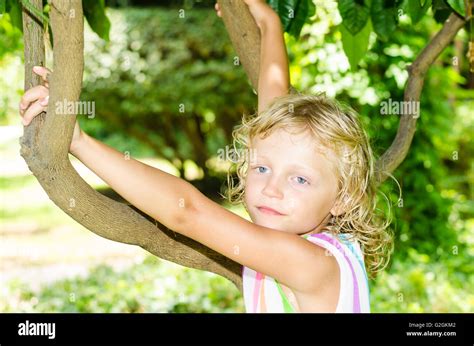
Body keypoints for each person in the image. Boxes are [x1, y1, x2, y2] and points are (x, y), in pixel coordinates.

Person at [19, 0, 394, 313]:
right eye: (262, 168)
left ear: (345, 198)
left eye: (300, 179)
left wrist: (80, 142)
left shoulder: (310, 264)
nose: (271, 189)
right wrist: (268, 22)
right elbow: (274, 90)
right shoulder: (326, 240)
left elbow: (186, 211)